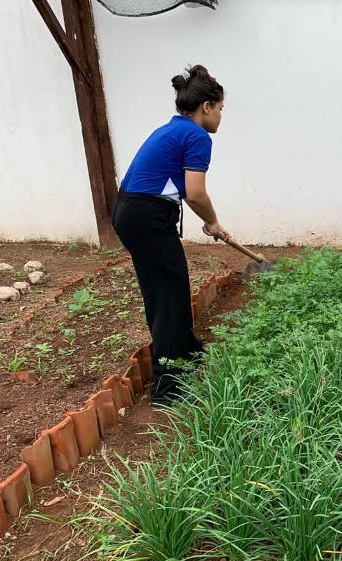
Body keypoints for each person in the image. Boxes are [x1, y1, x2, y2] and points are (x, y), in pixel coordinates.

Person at [111, 65, 229, 405]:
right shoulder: (196, 136)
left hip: (132, 211)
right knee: (168, 293)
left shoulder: (175, 129)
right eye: (220, 109)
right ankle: (169, 387)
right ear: (206, 107)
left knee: (166, 287)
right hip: (145, 216)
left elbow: (182, 191)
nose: (222, 116)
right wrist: (214, 221)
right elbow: (195, 193)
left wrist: (209, 222)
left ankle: (186, 351)